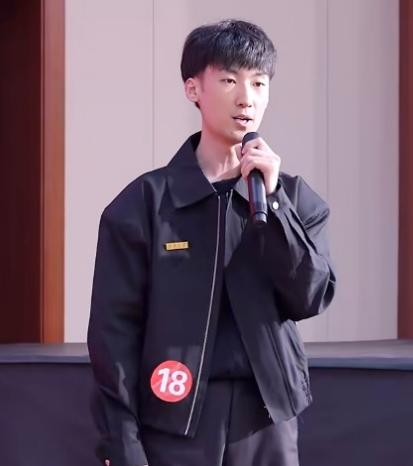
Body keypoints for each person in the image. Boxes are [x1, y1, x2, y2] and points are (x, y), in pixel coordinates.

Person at [87, 19, 336, 466]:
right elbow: (112, 334)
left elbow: (311, 296)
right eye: (229, 80)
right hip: (173, 419)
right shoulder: (144, 204)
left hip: (266, 419)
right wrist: (121, 442)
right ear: (193, 89)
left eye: (259, 83)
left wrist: (273, 204)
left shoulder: (294, 199)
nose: (247, 98)